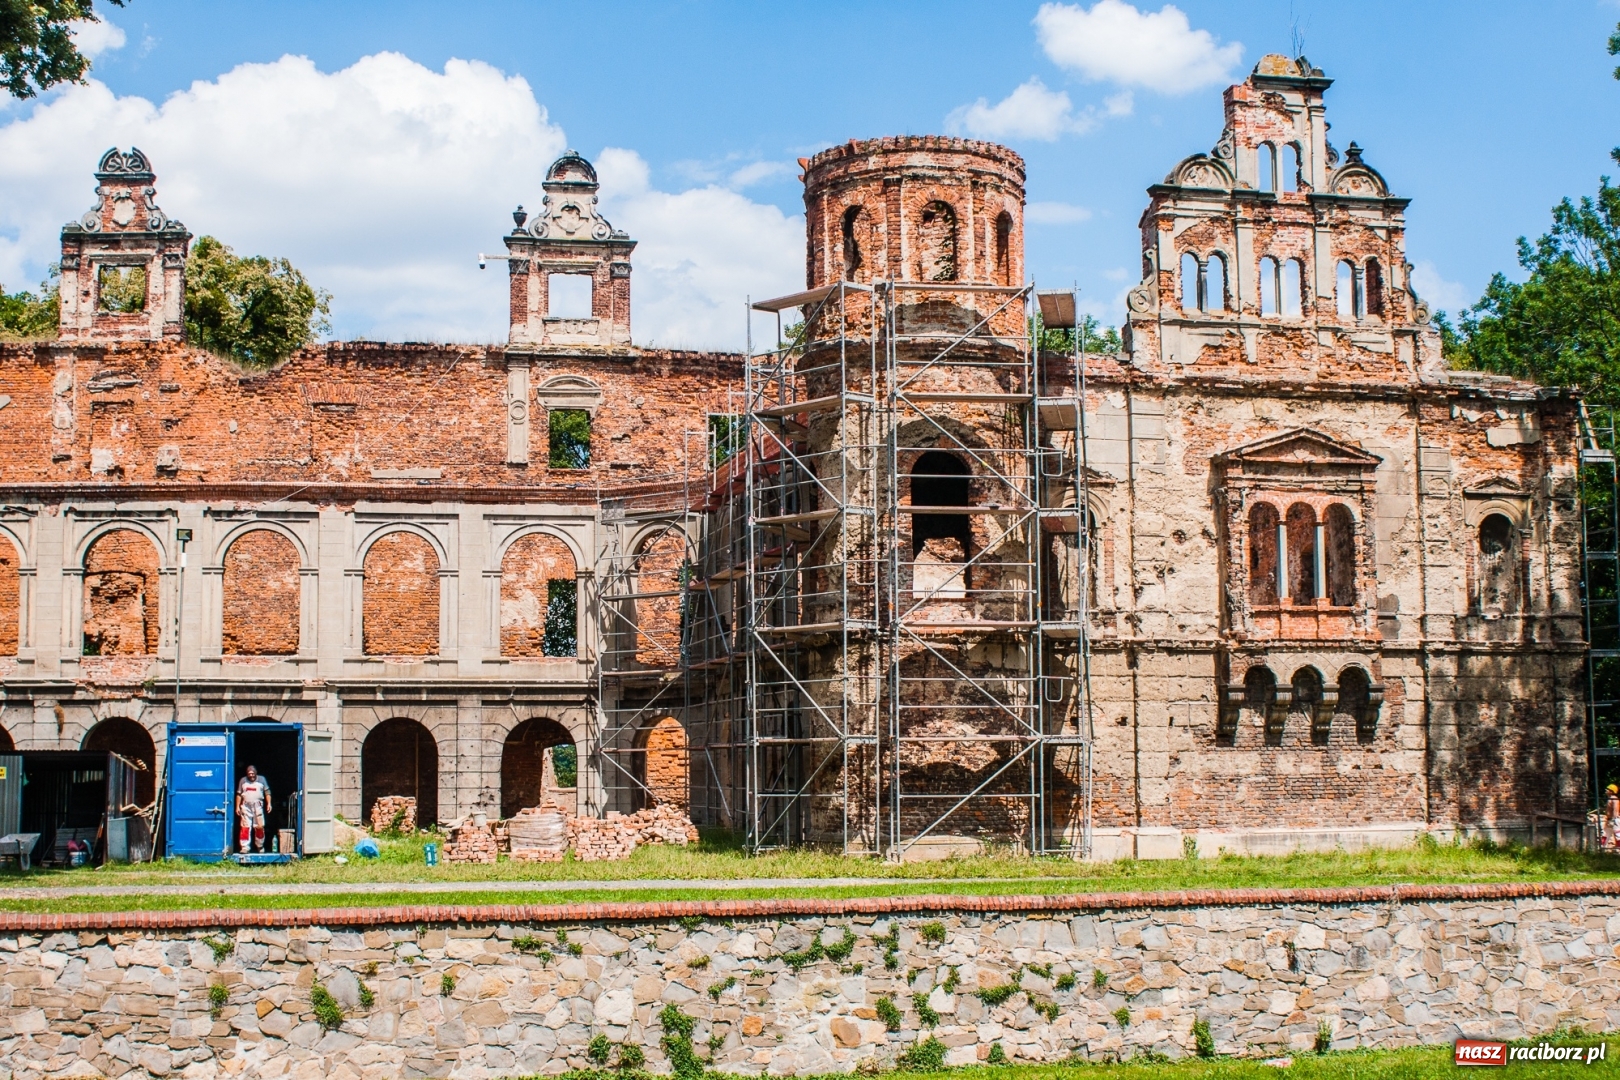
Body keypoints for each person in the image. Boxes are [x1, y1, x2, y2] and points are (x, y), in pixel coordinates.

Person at [236, 764, 272, 854]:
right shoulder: (243, 781)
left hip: (258, 806)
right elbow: (239, 794)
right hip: (246, 806)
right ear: (247, 774)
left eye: (253, 773)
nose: (251, 775)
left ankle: (260, 846)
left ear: (256, 773)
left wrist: (269, 804)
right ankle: (245, 847)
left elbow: (267, 792)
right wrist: (237, 806)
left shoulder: (262, 779)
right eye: (249, 773)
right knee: (245, 827)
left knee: (259, 826)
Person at [1607, 785, 1620, 850]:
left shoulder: (1614, 799)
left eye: (1608, 789)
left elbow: (1615, 809)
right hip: (1612, 819)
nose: (1606, 790)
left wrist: (1613, 819)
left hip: (1615, 819)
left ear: (1611, 791)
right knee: (1607, 834)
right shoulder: (1610, 798)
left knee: (1618, 835)